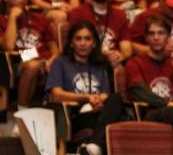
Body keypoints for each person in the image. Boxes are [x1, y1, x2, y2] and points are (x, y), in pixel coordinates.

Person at [45, 20, 124, 155]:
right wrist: (87, 98)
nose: (83, 43)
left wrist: (98, 101)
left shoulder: (99, 64)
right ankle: (95, 146)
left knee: (116, 99)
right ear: (71, 43)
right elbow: (56, 93)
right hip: (72, 115)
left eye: (87, 39)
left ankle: (93, 146)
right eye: (78, 39)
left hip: (97, 111)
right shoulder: (61, 62)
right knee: (115, 120)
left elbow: (105, 94)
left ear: (94, 43)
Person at [125, 15, 173, 153]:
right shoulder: (135, 63)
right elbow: (138, 91)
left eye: (161, 33)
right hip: (149, 113)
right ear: (146, 38)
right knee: (172, 112)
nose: (156, 37)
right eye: (151, 33)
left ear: (168, 37)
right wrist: (170, 104)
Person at [0, 0, 59, 111]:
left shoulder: (40, 19)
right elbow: (8, 46)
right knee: (33, 65)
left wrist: (52, 60)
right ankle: (22, 110)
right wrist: (13, 18)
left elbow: (55, 49)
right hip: (16, 63)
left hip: (46, 61)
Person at [68, 0, 132, 68]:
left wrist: (120, 56)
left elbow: (127, 48)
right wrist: (105, 54)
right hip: (87, 61)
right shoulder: (77, 13)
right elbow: (77, 46)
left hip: (113, 63)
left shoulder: (120, 15)